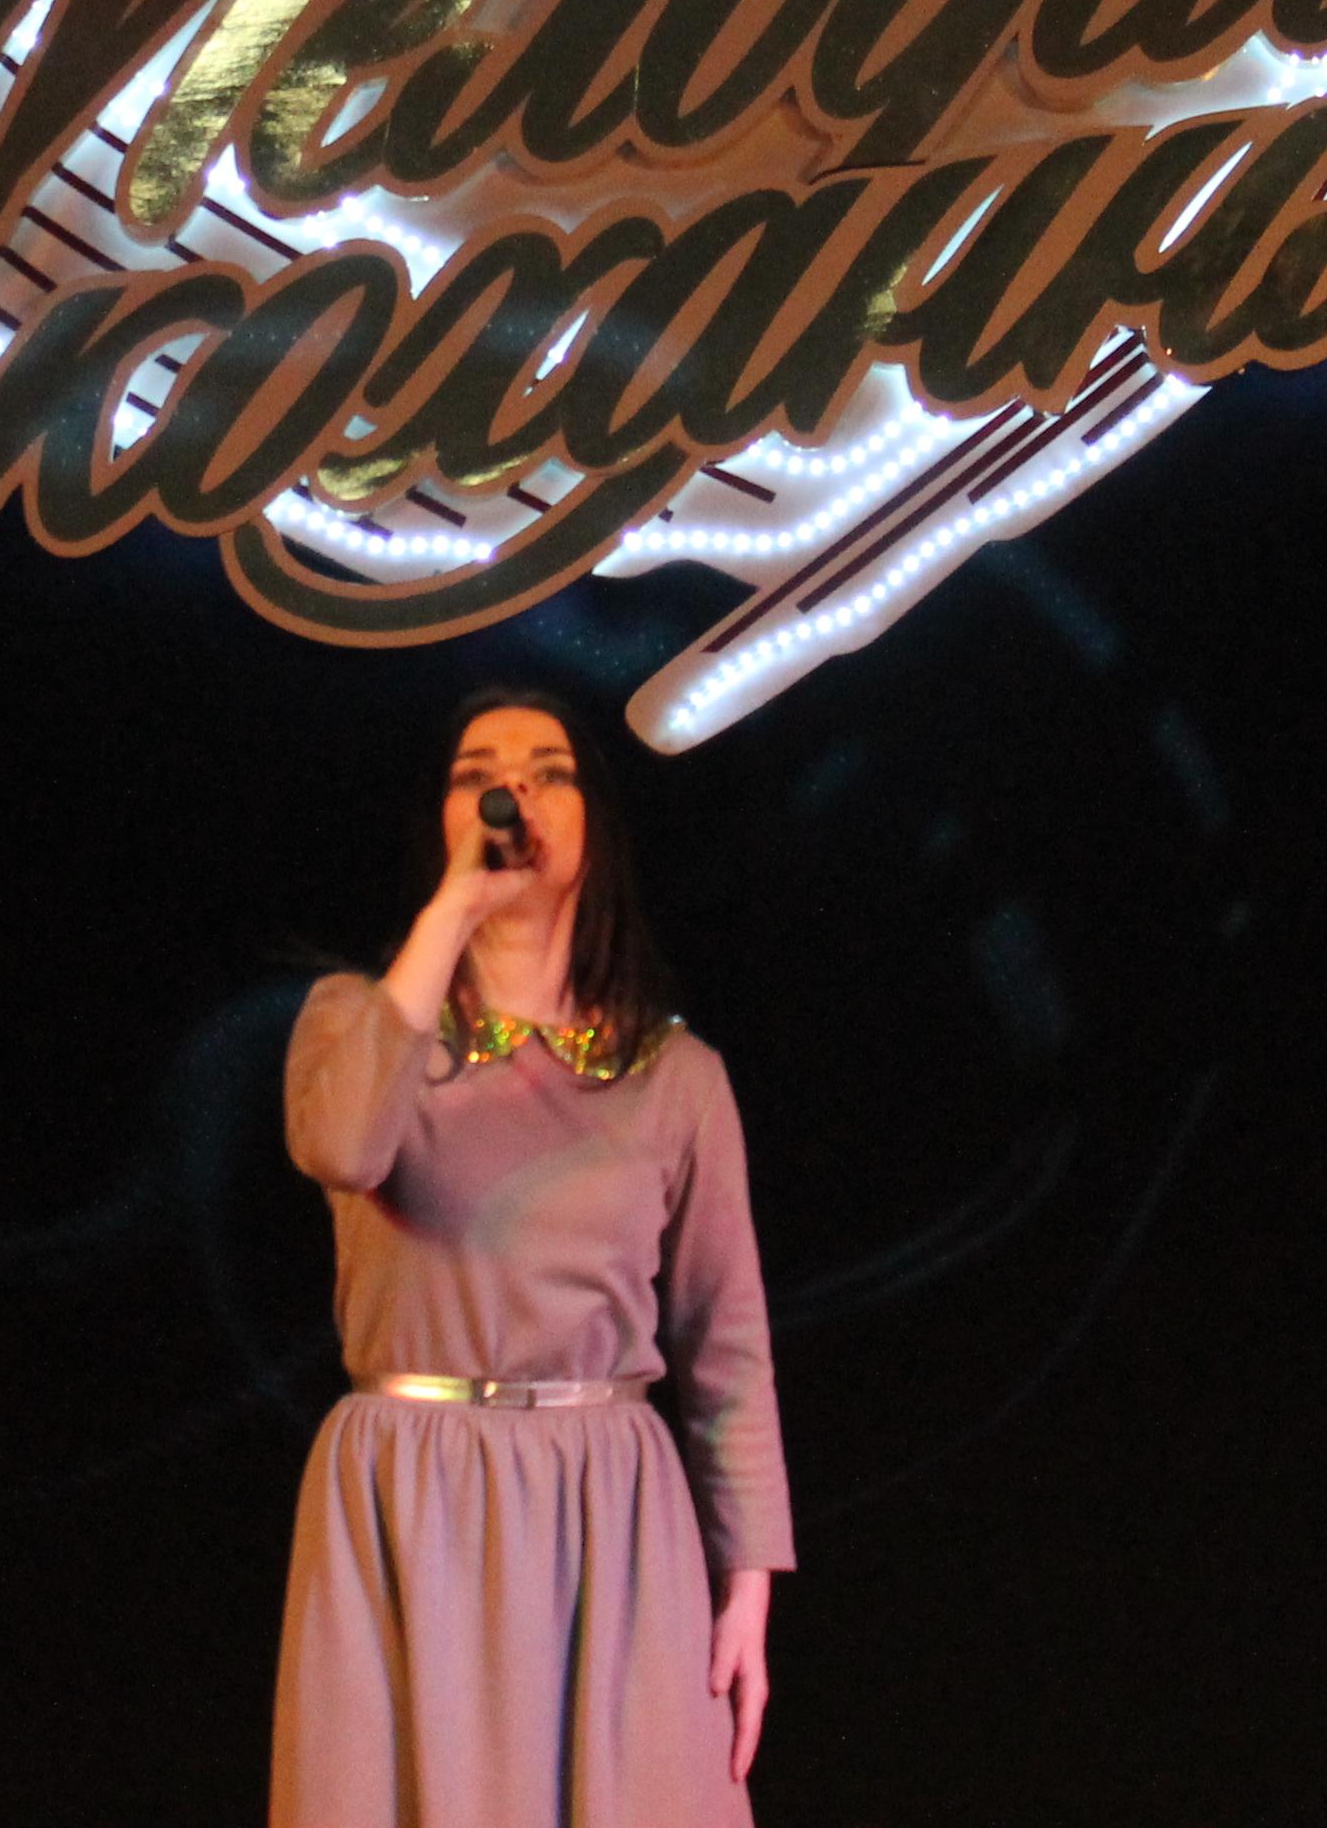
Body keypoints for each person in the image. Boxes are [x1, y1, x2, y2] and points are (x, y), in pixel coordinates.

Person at [274, 688, 791, 1827]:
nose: (512, 789)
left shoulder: (675, 1076)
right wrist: (455, 909)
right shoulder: (355, 1021)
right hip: (410, 1492)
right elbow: (342, 1145)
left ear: (595, 822)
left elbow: (727, 1342)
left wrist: (747, 1583)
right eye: (478, 775)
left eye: (548, 770)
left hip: (610, 1505)